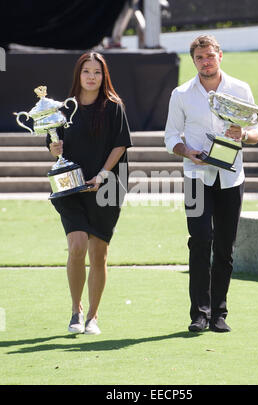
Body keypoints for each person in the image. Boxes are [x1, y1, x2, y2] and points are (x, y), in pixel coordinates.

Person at [164, 34, 258, 333]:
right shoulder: (181, 94)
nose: (205, 62)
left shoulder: (240, 89)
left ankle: (219, 313)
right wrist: (187, 152)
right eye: (199, 58)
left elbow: (256, 133)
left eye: (210, 56)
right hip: (196, 178)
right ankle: (199, 314)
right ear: (194, 61)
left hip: (232, 178)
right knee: (200, 241)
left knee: (224, 248)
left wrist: (242, 135)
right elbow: (170, 138)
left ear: (220, 55)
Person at [47, 52, 132, 335]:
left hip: (107, 185)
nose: (92, 77)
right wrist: (53, 149)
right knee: (77, 246)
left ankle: (93, 317)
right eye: (86, 72)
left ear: (103, 75)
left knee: (98, 253)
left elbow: (120, 145)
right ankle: (76, 310)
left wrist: (103, 175)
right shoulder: (62, 110)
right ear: (78, 76)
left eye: (97, 72)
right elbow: (53, 142)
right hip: (70, 188)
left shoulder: (114, 106)